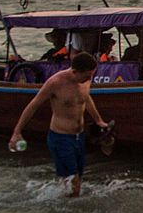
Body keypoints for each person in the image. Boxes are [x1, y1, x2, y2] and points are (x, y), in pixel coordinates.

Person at [8, 52, 109, 198]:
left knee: (76, 180)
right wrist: (17, 132)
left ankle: (64, 208)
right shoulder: (56, 83)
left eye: (92, 75)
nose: (90, 78)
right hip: (61, 138)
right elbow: (33, 106)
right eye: (87, 75)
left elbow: (86, 99)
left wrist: (98, 120)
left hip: (79, 137)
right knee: (73, 182)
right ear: (75, 72)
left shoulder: (86, 80)